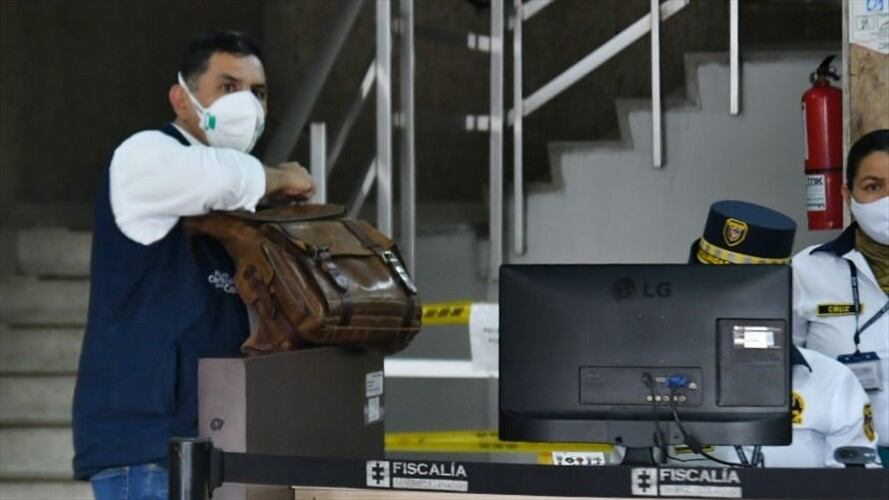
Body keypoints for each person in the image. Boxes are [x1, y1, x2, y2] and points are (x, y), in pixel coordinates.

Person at [71, 30, 315, 500]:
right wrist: (282, 177)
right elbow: (217, 177)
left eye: (258, 92)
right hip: (149, 452)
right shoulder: (146, 155)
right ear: (181, 99)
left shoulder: (239, 200)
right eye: (228, 87)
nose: (247, 105)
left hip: (217, 449)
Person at [671, 200, 878, 468]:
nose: (723, 304)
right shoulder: (653, 378)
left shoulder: (830, 382)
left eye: (741, 292)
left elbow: (858, 483)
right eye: (710, 288)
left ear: (777, 294)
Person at [792, 129, 889, 467]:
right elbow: (785, 366)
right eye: (873, 187)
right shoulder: (807, 270)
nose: (887, 200)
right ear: (848, 194)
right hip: (842, 459)